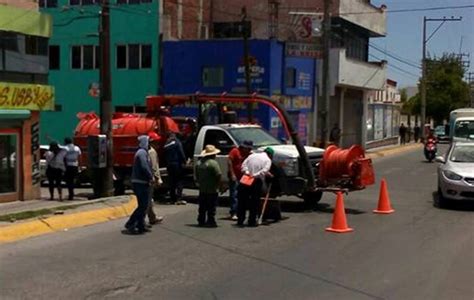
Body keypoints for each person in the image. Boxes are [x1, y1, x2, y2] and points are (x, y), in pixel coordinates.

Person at [124, 135, 154, 234]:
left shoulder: (144, 153)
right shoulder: (141, 153)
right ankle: (131, 223)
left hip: (142, 182)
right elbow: (144, 166)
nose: (150, 144)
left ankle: (141, 226)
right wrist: (150, 176)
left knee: (143, 206)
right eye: (149, 142)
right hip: (140, 183)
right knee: (142, 206)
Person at [237, 147, 273, 227]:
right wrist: (255, 175)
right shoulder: (268, 160)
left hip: (246, 178)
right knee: (254, 201)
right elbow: (264, 171)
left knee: (242, 200)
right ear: (270, 155)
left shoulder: (252, 156)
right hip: (256, 181)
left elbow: (243, 166)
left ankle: (240, 220)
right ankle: (252, 221)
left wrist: (247, 173)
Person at [195, 145, 222, 227]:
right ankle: (211, 221)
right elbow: (218, 174)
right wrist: (219, 185)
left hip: (202, 188)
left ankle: (201, 220)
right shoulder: (213, 163)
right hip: (212, 188)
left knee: (202, 206)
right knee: (211, 206)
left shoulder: (199, 163)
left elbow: (197, 175)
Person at [227, 140, 253, 220]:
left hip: (244, 176)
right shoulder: (235, 151)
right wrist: (232, 174)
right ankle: (233, 212)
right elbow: (229, 161)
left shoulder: (249, 154)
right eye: (247, 148)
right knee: (234, 194)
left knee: (243, 195)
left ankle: (241, 211)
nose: (248, 150)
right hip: (235, 176)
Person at [164, 132, 187, 205]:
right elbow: (181, 152)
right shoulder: (177, 142)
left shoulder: (167, 143)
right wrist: (185, 161)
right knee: (179, 181)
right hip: (177, 164)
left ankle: (172, 198)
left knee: (172, 182)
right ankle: (179, 198)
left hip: (169, 165)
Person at [147, 132, 164, 226]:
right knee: (149, 200)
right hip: (151, 179)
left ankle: (152, 217)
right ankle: (139, 220)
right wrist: (158, 179)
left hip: (148, 178)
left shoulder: (146, 151)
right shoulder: (152, 152)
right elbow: (154, 167)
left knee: (149, 199)